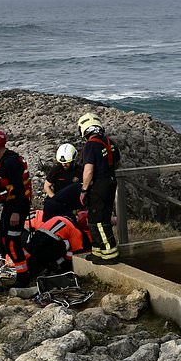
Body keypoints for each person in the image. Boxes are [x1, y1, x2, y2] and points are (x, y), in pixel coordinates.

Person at [0, 130, 32, 288]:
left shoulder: (11, 162)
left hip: (17, 206)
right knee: (2, 240)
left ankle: (23, 276)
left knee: (11, 241)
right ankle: (24, 264)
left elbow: (19, 189)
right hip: (9, 205)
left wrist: (17, 212)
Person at [77, 113, 121, 264]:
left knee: (99, 221)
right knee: (95, 219)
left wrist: (84, 190)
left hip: (98, 187)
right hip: (110, 183)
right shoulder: (110, 142)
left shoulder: (90, 145)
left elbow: (88, 170)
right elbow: (117, 163)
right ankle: (97, 251)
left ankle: (110, 254)